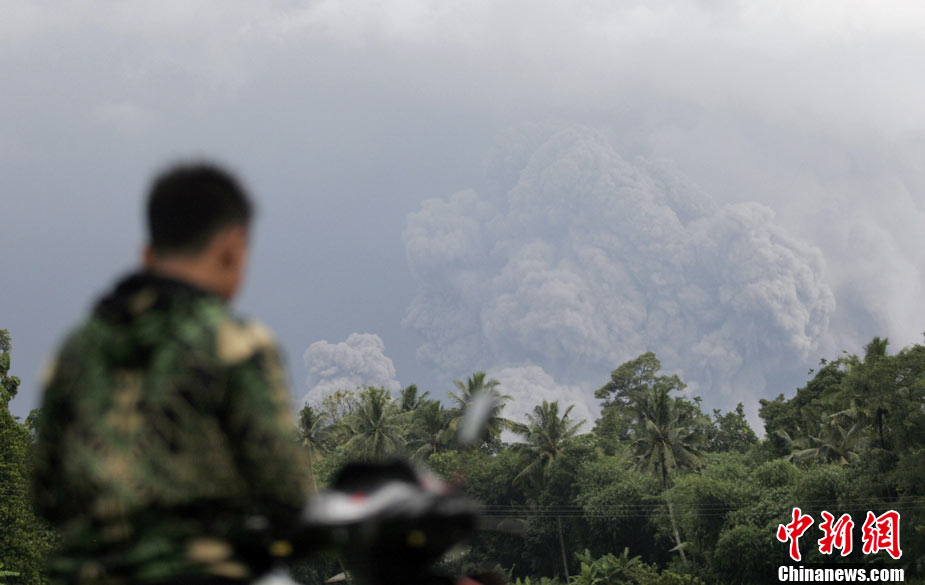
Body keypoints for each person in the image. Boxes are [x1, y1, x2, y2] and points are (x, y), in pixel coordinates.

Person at [32, 163, 311, 585]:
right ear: (232, 249)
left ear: (148, 255)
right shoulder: (235, 344)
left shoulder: (74, 350)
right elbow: (287, 495)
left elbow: (47, 497)